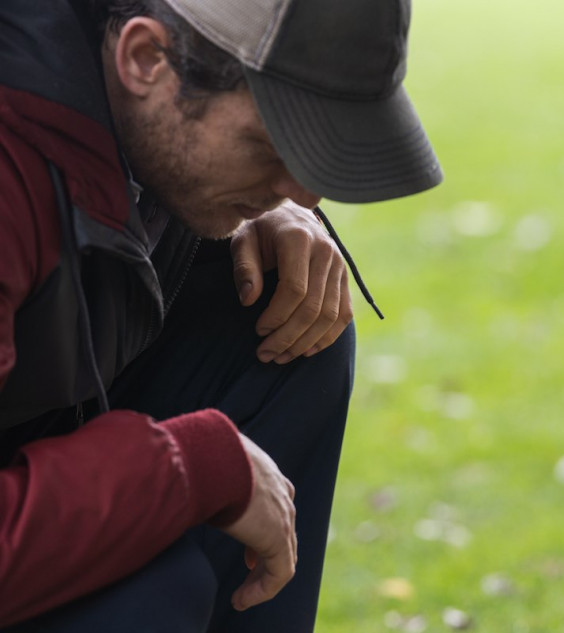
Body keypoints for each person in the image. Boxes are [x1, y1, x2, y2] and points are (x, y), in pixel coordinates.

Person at [0, 0, 442, 630]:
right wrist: (188, 465)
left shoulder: (124, 88)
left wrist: (252, 207)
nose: (307, 193)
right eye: (270, 144)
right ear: (146, 58)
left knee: (288, 312)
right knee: (151, 593)